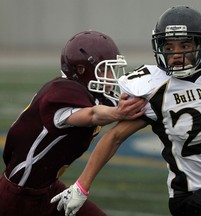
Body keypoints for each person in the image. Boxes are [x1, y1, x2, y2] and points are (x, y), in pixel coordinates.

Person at [51, 6, 201, 216]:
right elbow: (114, 137)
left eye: (185, 46)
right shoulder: (154, 88)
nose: (176, 54)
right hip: (190, 193)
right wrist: (82, 185)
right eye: (169, 47)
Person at [0, 30, 147, 216]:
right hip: (20, 196)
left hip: (48, 189)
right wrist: (118, 112)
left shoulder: (88, 92)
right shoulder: (60, 93)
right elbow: (92, 115)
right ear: (81, 70)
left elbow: (113, 104)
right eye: (104, 69)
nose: (111, 76)